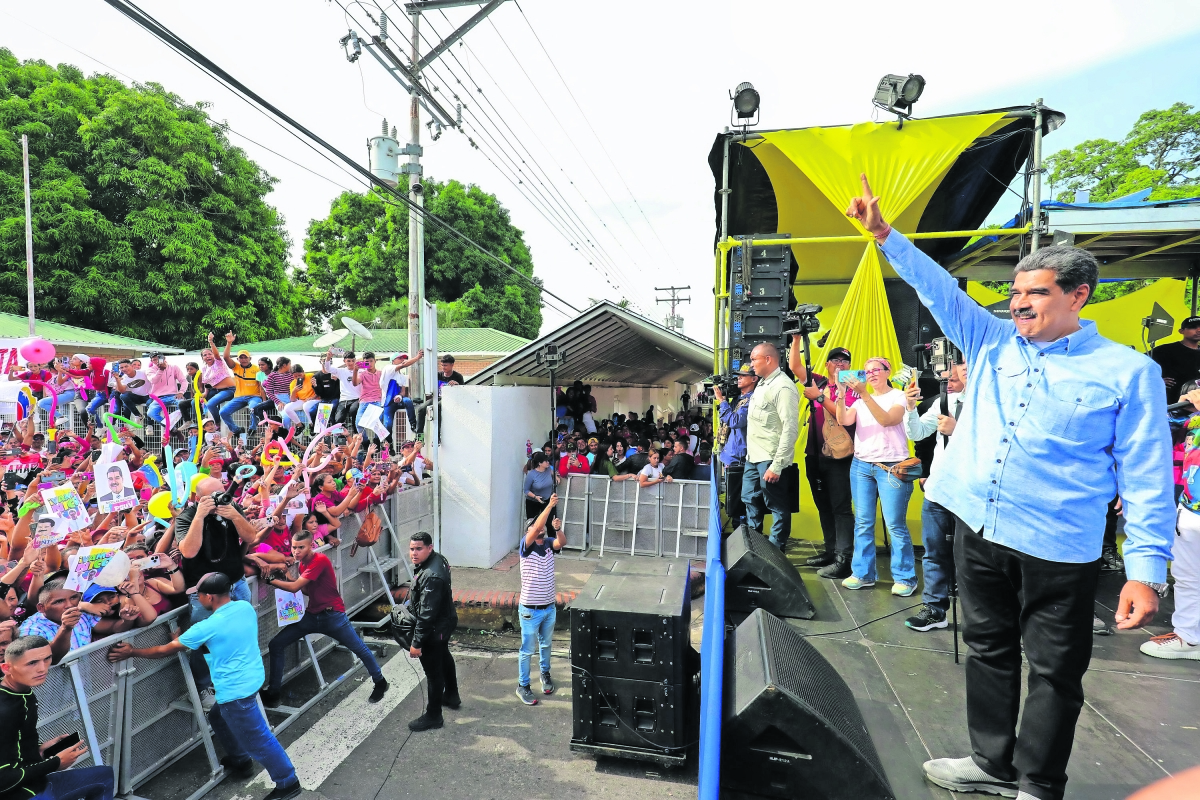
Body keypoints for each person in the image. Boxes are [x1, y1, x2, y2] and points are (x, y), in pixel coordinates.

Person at [847, 175, 1173, 800]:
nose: (1020, 305)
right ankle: (992, 764)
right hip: (979, 528)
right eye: (1016, 293)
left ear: (1079, 296)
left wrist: (1145, 568)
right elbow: (938, 291)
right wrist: (886, 237)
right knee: (988, 648)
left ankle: (1038, 784)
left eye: (1036, 294)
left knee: (1055, 672)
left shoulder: (1130, 373)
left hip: (1057, 546)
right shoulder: (992, 342)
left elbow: (1146, 473)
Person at [106, 573, 301, 800]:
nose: (197, 600)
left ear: (209, 596)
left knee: (259, 740)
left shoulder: (208, 626)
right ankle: (239, 759)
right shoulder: (244, 608)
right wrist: (183, 638)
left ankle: (288, 782)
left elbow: (163, 650)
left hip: (234, 693)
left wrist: (132, 652)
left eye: (198, 596)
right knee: (217, 717)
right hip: (252, 680)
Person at [261, 528, 390, 704]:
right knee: (276, 644)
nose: (296, 551)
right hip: (312, 616)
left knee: (359, 648)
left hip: (333, 617)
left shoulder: (319, 560)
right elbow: (305, 589)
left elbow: (295, 588)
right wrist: (289, 577)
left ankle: (380, 682)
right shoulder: (302, 563)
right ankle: (274, 693)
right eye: (293, 547)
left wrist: (270, 580)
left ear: (311, 545)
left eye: (301, 547)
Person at [836, 356, 916, 594]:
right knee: (863, 522)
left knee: (894, 524)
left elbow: (887, 419)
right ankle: (863, 573)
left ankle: (905, 578)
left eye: (876, 370)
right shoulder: (860, 402)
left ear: (887, 371)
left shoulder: (899, 396)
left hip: (892, 467)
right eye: (867, 371)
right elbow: (843, 420)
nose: (870, 374)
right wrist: (841, 394)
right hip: (862, 466)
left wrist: (864, 394)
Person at [2, 635, 113, 800]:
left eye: (47, 659)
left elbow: (14, 745)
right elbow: (3, 780)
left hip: (35, 781)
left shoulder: (22, 689)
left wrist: (41, 749)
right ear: (6, 668)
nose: (42, 669)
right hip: (17, 793)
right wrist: (55, 763)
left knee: (104, 776)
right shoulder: (4, 710)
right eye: (32, 663)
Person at [902, 358, 967, 631]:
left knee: (973, 557)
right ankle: (935, 609)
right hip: (939, 490)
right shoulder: (944, 402)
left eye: (952, 379)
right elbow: (917, 432)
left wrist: (959, 431)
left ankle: (981, 616)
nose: (947, 385)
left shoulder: (988, 405)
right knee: (934, 552)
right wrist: (909, 408)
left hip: (970, 493)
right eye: (945, 380)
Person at [1140, 385, 1200, 660]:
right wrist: (1183, 406)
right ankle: (1189, 638)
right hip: (1190, 507)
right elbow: (1159, 426)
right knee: (1188, 578)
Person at [790, 341, 858, 577]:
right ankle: (830, 552)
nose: (840, 364)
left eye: (845, 361)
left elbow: (844, 419)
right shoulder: (818, 380)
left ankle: (844, 559)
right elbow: (795, 366)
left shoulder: (853, 388)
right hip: (815, 454)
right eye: (836, 360)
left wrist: (819, 398)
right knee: (824, 506)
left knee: (841, 508)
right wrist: (797, 338)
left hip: (841, 457)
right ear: (827, 364)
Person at [742, 342, 800, 550]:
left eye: (754, 359)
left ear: (768, 359)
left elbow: (790, 428)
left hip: (770, 457)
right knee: (750, 499)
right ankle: (753, 548)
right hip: (754, 456)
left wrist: (777, 465)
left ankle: (776, 551)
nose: (751, 365)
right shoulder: (763, 383)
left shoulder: (783, 387)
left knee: (777, 506)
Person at [406, 531, 459, 731]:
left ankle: (434, 715)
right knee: (444, 655)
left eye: (419, 549)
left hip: (435, 628)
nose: (414, 553)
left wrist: (417, 643)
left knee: (433, 673)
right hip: (444, 622)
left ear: (429, 548)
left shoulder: (432, 576)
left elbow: (427, 614)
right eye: (412, 549)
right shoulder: (437, 560)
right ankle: (452, 695)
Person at [515, 495, 565, 706]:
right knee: (527, 650)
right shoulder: (525, 546)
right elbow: (536, 527)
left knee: (546, 645)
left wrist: (558, 529)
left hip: (548, 608)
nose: (540, 529)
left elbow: (562, 542)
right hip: (530, 610)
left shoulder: (547, 543)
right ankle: (523, 686)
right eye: (536, 527)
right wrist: (549, 506)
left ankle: (545, 674)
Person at [714, 363, 759, 527]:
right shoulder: (738, 399)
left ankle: (745, 534)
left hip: (741, 458)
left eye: (743, 375)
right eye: (737, 375)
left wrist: (722, 402)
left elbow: (735, 421)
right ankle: (737, 533)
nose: (738, 378)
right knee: (733, 501)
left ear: (754, 379)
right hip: (732, 456)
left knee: (742, 502)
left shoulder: (753, 399)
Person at [217, 333, 265, 445]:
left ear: (250, 358)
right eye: (241, 357)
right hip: (239, 397)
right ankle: (236, 430)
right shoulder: (236, 367)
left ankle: (253, 429)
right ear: (238, 359)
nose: (243, 359)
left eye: (245, 357)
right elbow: (225, 357)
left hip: (254, 396)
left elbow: (262, 386)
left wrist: (264, 401)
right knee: (223, 411)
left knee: (254, 407)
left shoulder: (258, 369)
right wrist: (229, 343)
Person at [1151, 316, 1200, 405]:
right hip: (1172, 404)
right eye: (1193, 327)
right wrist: (1156, 380)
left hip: (1196, 405)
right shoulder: (1164, 350)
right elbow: (1140, 366)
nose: (1198, 330)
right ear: (1181, 331)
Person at [146, 353, 188, 425]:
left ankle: (174, 424)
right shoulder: (150, 370)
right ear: (152, 361)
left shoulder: (174, 367)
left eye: (159, 358)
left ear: (164, 358)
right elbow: (153, 381)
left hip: (173, 395)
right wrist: (161, 370)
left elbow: (184, 381)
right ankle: (170, 426)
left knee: (182, 405)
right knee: (151, 413)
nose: (157, 361)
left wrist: (181, 392)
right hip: (158, 398)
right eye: (155, 359)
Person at [522, 452, 558, 522]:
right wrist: (535, 497)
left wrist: (556, 476)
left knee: (550, 522)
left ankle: (552, 533)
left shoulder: (548, 470)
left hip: (547, 500)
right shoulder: (531, 474)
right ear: (540, 463)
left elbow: (552, 472)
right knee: (533, 523)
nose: (548, 462)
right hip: (533, 501)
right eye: (546, 461)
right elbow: (526, 490)